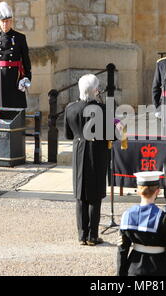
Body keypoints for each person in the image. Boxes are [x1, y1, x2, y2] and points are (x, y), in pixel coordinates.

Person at [64, 74, 117, 246]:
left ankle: (82, 234)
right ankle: (92, 235)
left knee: (80, 194)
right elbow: (113, 136)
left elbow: (68, 134)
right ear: (95, 90)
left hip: (79, 151)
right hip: (97, 152)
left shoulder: (70, 108)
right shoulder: (103, 109)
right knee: (95, 195)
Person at [117, 171, 166, 276]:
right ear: (158, 191)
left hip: (134, 268)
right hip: (159, 268)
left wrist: (120, 274)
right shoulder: (164, 218)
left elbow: (122, 250)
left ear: (138, 191)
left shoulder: (127, 215)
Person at [0, 2, 32, 109]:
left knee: (15, 107)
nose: (5, 24)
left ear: (11, 21)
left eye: (7, 21)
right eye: (2, 22)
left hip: (15, 76)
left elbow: (26, 60)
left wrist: (27, 77)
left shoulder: (20, 38)